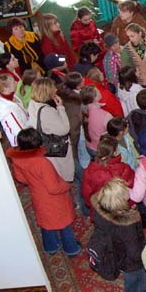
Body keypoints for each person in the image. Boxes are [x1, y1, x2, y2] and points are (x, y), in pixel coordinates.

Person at [6, 128, 81, 256]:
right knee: (63, 222)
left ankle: (51, 246)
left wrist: (35, 183)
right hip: (54, 199)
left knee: (46, 222)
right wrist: (66, 186)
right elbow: (53, 188)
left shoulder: (17, 159)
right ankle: (71, 248)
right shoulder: (42, 163)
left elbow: (20, 178)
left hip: (37, 195)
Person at [92, 178, 146, 292]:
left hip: (114, 253)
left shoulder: (100, 209)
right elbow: (135, 254)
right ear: (118, 200)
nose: (129, 192)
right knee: (136, 287)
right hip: (131, 263)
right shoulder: (127, 224)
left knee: (134, 286)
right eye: (125, 191)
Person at [27, 77, 74, 182]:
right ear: (47, 91)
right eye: (53, 88)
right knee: (61, 177)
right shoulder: (46, 111)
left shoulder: (32, 103)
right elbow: (65, 129)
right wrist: (60, 107)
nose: (56, 90)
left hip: (43, 146)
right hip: (55, 150)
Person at [57, 72, 87, 214]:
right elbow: (74, 128)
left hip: (70, 141)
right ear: (78, 85)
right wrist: (73, 148)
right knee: (81, 176)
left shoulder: (65, 95)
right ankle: (83, 206)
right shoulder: (75, 103)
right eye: (82, 80)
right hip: (73, 142)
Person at [81, 135, 134, 212]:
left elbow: (86, 194)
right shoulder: (124, 169)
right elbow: (130, 189)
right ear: (115, 152)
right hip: (120, 208)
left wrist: (92, 206)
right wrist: (131, 204)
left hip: (100, 209)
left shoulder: (89, 171)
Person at [120, 23, 146, 105]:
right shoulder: (126, 50)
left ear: (139, 33)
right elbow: (125, 70)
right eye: (129, 36)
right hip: (137, 84)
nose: (130, 39)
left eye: (132, 36)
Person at [0, 72, 28, 146]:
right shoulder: (7, 110)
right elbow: (19, 132)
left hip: (27, 129)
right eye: (13, 82)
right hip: (23, 142)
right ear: (6, 88)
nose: (16, 82)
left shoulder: (11, 96)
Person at [80, 85, 113, 156]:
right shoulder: (106, 115)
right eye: (98, 91)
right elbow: (113, 133)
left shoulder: (83, 112)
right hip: (102, 149)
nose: (99, 91)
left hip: (89, 146)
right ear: (94, 98)